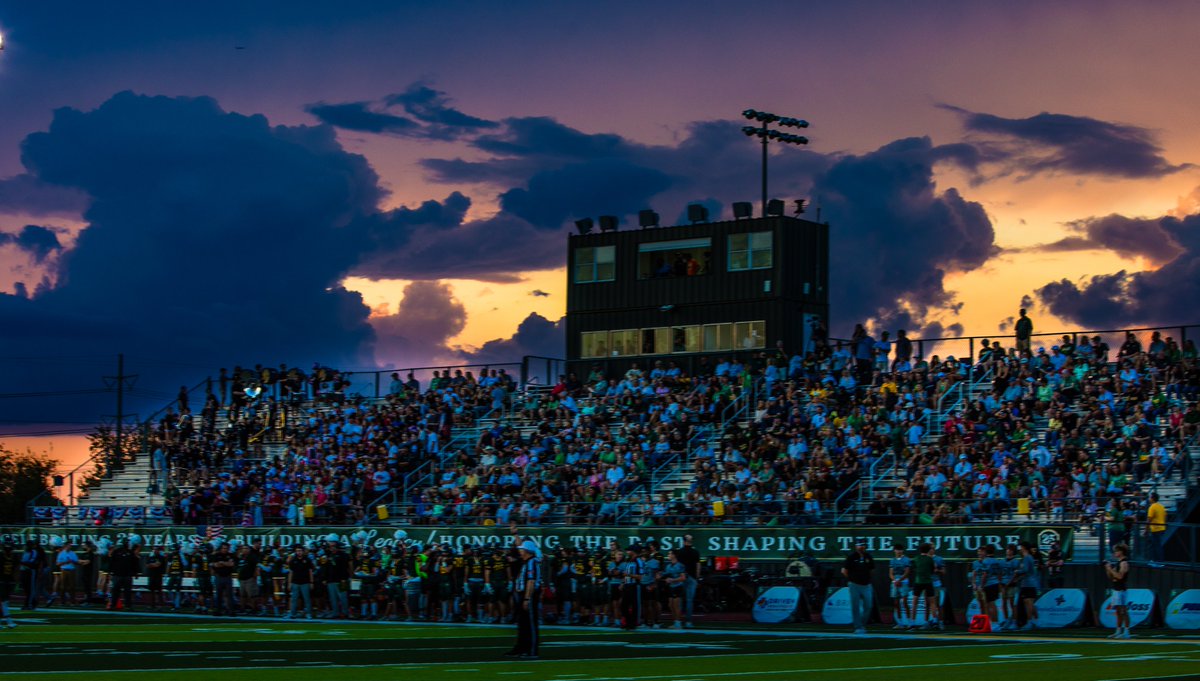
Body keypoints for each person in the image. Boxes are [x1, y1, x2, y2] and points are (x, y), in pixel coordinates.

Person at [507, 540, 542, 660]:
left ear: (527, 551)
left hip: (529, 595)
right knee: (523, 623)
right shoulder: (527, 562)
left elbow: (531, 581)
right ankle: (522, 647)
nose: (520, 551)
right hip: (524, 594)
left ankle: (532, 650)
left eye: (522, 549)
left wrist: (527, 598)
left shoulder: (531, 562)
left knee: (530, 623)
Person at [842, 540, 875, 635]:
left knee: (868, 606)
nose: (861, 547)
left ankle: (862, 624)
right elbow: (844, 571)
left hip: (866, 584)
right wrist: (851, 579)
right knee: (855, 606)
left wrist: (867, 578)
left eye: (863, 545)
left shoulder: (868, 556)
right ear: (856, 546)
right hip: (854, 585)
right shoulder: (851, 557)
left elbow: (872, 570)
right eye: (859, 545)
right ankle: (858, 626)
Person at [1105, 543, 1131, 639]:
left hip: (1121, 589)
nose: (1115, 553)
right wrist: (1108, 569)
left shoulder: (1124, 563)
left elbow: (1120, 576)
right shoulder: (1118, 563)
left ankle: (1127, 631)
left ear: (1121, 552)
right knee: (1118, 612)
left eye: (1116, 551)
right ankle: (1118, 631)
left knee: (1123, 611)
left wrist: (1111, 570)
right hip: (1116, 588)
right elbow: (1112, 577)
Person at [675, 535, 701, 628]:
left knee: (680, 599)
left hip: (682, 577)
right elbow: (698, 566)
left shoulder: (680, 552)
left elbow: (677, 566)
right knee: (689, 600)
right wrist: (697, 578)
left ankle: (678, 621)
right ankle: (688, 621)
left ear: (683, 541)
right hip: (692, 577)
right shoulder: (695, 552)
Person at [911, 543, 937, 630]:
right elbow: (932, 571)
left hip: (918, 581)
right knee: (932, 602)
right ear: (928, 550)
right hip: (928, 582)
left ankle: (912, 623)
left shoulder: (916, 558)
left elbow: (913, 568)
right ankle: (935, 621)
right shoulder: (930, 559)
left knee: (914, 603)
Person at [1015, 541, 1040, 631]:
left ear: (1024, 547)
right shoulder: (1030, 558)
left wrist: (1017, 571)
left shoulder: (1026, 558)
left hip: (1028, 584)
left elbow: (1025, 570)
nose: (1019, 549)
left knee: (1028, 603)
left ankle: (1029, 622)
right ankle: (1036, 621)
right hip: (1031, 583)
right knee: (1031, 603)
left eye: (1020, 547)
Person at [107, 539, 138, 611]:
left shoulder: (130, 553)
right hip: (118, 575)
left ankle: (128, 606)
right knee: (115, 591)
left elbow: (135, 564)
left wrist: (135, 572)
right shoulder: (117, 552)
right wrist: (110, 572)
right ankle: (113, 605)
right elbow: (112, 562)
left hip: (126, 575)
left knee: (127, 592)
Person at [286, 545, 314, 620]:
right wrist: (289, 583)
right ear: (295, 552)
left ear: (303, 551)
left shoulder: (307, 560)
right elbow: (291, 572)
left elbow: (310, 571)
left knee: (307, 599)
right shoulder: (293, 560)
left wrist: (311, 582)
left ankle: (309, 614)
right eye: (297, 551)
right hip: (295, 582)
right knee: (294, 599)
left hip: (305, 582)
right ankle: (293, 613)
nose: (299, 552)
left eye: (300, 551)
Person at [888, 546, 911, 629]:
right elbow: (890, 573)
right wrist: (895, 580)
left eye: (900, 549)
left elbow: (907, 572)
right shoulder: (892, 560)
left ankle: (909, 622)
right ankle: (900, 623)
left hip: (904, 582)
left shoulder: (906, 560)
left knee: (905, 602)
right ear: (894, 550)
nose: (899, 551)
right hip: (895, 583)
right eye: (897, 550)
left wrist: (900, 580)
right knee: (896, 603)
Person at [1, 538, 19, 627]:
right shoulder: (2, 556)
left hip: (8, 580)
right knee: (4, 601)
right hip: (2, 580)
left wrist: (15, 581)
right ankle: (9, 621)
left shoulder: (13, 557)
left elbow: (15, 570)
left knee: (4, 602)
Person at [1145, 493, 1166, 567]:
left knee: (1155, 545)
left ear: (1152, 498)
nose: (1149, 499)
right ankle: (1157, 561)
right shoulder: (1161, 506)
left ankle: (1157, 562)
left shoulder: (1152, 507)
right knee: (1157, 545)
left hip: (1155, 529)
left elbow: (1149, 519)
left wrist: (1146, 530)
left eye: (1150, 497)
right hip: (1162, 528)